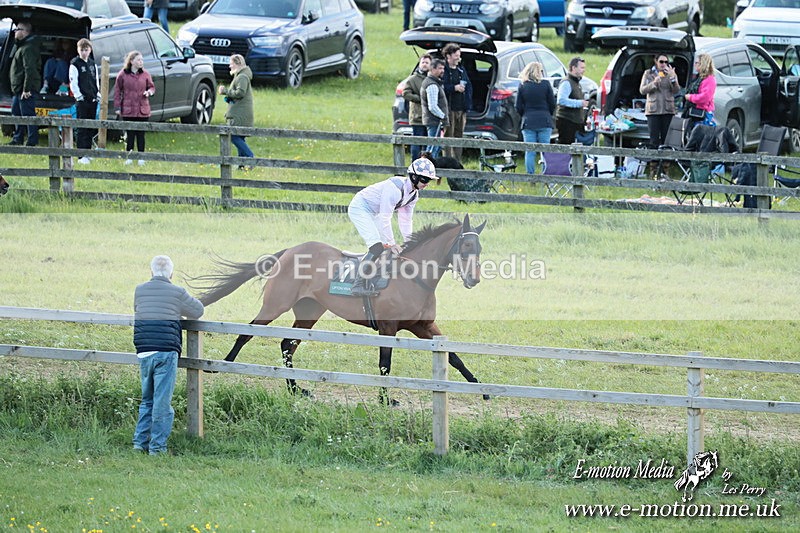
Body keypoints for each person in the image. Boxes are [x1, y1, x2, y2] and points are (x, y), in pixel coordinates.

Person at [133, 255, 204, 455]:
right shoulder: (176, 292)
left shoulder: (140, 290)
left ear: (151, 272)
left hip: (144, 349)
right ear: (171, 274)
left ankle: (140, 443)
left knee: (147, 399)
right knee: (162, 402)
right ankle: (157, 448)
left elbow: (139, 311)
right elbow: (198, 311)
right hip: (165, 349)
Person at [347, 157, 437, 296]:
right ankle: (357, 285)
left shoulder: (414, 195)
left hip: (375, 212)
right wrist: (392, 243)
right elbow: (385, 218)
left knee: (387, 248)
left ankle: (375, 279)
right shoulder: (394, 188)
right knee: (377, 246)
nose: (427, 184)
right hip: (360, 208)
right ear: (414, 177)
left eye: (428, 180)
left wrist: (409, 243)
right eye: (424, 180)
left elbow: (406, 220)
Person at [114, 50, 155, 166]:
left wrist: (149, 93)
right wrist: (117, 107)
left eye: (142, 60)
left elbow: (152, 87)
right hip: (128, 110)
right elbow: (117, 91)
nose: (141, 62)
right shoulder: (122, 74)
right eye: (138, 60)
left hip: (143, 109)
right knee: (130, 134)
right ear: (131, 61)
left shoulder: (146, 74)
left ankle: (141, 157)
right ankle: (129, 157)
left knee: (141, 134)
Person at [516, 61, 555, 174]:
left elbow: (518, 106)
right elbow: (552, 103)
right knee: (545, 151)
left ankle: (530, 176)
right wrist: (548, 114)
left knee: (530, 151)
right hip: (544, 120)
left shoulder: (523, 85)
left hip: (529, 121)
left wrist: (525, 115)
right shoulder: (546, 84)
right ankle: (545, 174)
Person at [219, 54, 255, 170]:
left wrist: (225, 91)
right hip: (241, 113)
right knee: (239, 137)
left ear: (238, 63)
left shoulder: (242, 77)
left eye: (231, 63)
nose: (229, 66)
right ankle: (241, 165)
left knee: (233, 136)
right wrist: (229, 97)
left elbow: (240, 93)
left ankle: (250, 158)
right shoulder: (240, 76)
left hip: (240, 114)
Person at [8, 21, 41, 147]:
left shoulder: (28, 48)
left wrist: (26, 89)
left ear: (25, 32)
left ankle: (32, 141)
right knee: (16, 112)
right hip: (19, 89)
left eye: (18, 29)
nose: (15, 31)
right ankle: (18, 138)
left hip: (26, 89)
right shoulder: (21, 46)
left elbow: (30, 69)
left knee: (28, 114)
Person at [639, 53, 680, 149]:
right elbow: (642, 90)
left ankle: (665, 161)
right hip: (653, 110)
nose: (663, 64)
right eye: (661, 61)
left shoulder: (671, 73)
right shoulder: (648, 73)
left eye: (666, 62)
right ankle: (654, 161)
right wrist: (654, 83)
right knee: (654, 139)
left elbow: (676, 90)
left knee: (667, 138)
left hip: (667, 110)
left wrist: (673, 78)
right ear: (656, 61)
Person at [69, 38, 100, 165]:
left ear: (90, 50)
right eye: (81, 50)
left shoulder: (92, 63)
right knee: (82, 127)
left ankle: (88, 151)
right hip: (82, 100)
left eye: (86, 50)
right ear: (78, 50)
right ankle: (81, 155)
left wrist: (98, 93)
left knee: (91, 126)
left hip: (93, 99)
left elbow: (95, 80)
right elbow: (73, 81)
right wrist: (78, 95)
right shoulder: (75, 63)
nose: (84, 52)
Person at [441, 43, 471, 162]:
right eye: (456, 55)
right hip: (449, 109)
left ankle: (457, 162)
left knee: (459, 136)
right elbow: (441, 87)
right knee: (448, 136)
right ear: (448, 55)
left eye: (459, 55)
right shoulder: (443, 70)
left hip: (461, 109)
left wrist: (468, 104)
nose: (458, 57)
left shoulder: (461, 69)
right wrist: (454, 88)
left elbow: (468, 85)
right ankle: (447, 162)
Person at [402, 54, 431, 161]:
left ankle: (425, 165)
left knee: (427, 143)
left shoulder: (433, 79)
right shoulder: (412, 79)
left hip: (429, 117)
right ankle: (414, 164)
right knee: (416, 143)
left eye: (427, 63)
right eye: (423, 62)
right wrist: (420, 98)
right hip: (417, 116)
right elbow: (405, 93)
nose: (424, 64)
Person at [555, 57, 589, 145]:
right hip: (567, 122)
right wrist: (579, 103)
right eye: (581, 68)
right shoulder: (566, 82)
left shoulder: (576, 82)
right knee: (565, 152)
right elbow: (561, 100)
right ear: (574, 68)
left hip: (574, 122)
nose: (583, 70)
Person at [420, 59, 448, 159]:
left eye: (443, 68)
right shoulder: (432, 84)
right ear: (432, 69)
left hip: (435, 121)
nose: (442, 71)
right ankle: (426, 171)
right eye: (440, 68)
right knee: (432, 149)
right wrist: (443, 116)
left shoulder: (435, 82)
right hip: (434, 121)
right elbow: (432, 107)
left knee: (435, 147)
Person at [684, 53, 717, 130]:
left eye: (696, 63)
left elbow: (705, 98)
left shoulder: (709, 79)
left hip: (703, 114)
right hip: (694, 112)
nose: (694, 65)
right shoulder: (698, 77)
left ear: (703, 64)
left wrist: (690, 97)